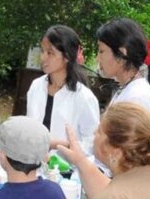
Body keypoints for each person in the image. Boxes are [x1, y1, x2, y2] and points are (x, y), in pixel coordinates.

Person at [26, 25, 99, 153]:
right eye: (42, 51)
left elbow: (93, 144)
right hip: (34, 163)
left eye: (50, 53)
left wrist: (61, 145)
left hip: (67, 170)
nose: (43, 57)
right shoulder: (36, 86)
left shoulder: (84, 97)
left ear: (67, 57)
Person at [96, 18, 150, 121]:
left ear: (121, 54)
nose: (98, 58)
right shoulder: (128, 88)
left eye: (102, 51)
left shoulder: (137, 97)